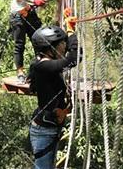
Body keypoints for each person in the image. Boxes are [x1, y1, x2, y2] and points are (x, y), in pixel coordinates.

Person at [28, 25, 79, 169]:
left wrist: (69, 36)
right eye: (61, 44)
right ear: (50, 48)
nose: (64, 47)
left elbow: (70, 57)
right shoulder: (44, 67)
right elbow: (73, 59)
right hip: (44, 130)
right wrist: (72, 33)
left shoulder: (43, 63)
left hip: (48, 127)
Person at [8, 0, 56, 84]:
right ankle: (20, 72)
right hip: (18, 13)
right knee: (19, 44)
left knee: (40, 41)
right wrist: (34, 0)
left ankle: (39, 68)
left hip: (31, 13)